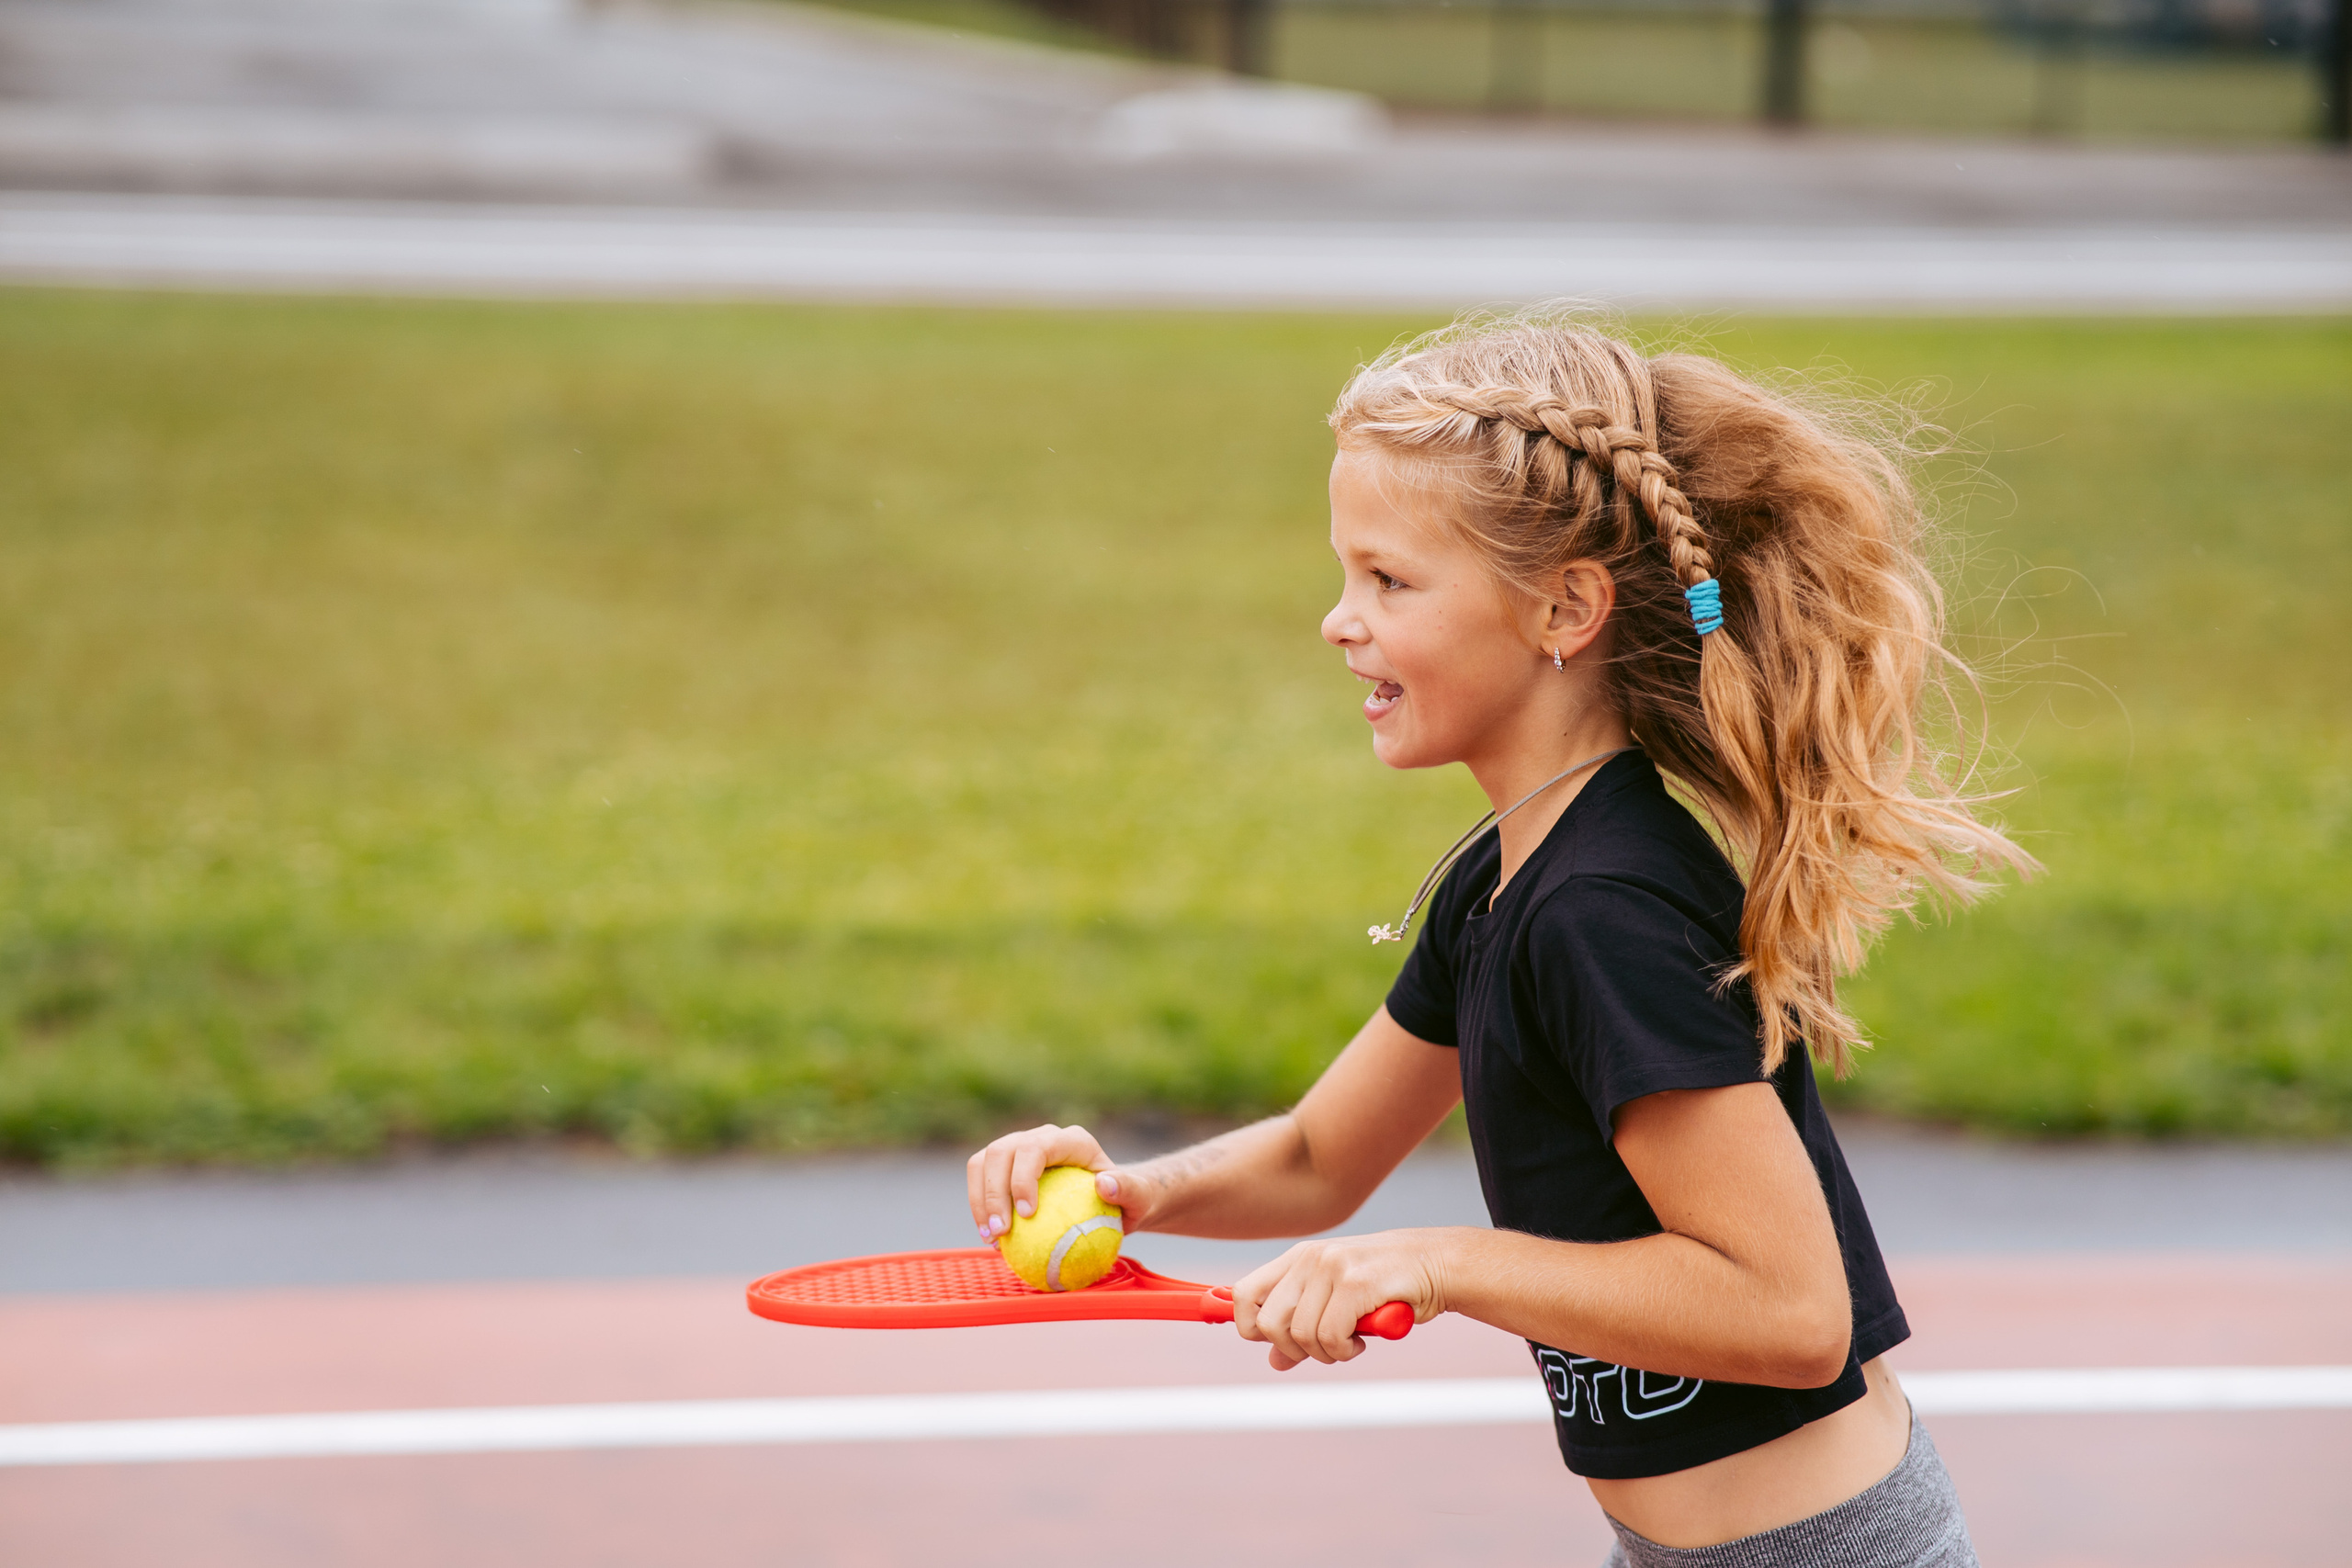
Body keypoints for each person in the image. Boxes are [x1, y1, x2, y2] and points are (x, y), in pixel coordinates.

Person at [966, 311, 2033, 1567]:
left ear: (1564, 609)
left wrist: (1442, 1265)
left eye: (1390, 580)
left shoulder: (1601, 912)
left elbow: (1793, 1315)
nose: (1338, 621)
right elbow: (1318, 1155)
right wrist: (1142, 1194)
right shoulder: (1502, 880)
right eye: (1346, 575)